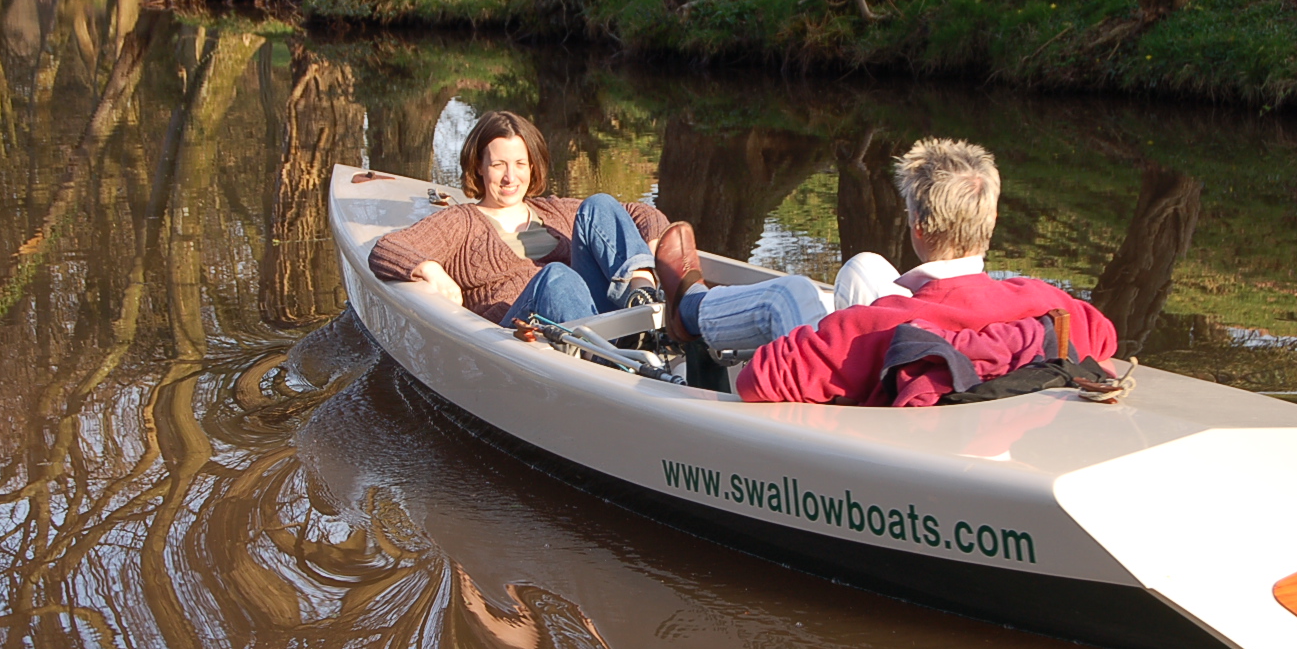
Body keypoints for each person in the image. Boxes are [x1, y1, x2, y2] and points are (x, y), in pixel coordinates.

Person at [656, 137, 1118, 406]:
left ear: (918, 228)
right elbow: (1105, 338)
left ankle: (690, 309)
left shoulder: (873, 328)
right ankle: (693, 307)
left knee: (788, 293)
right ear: (992, 220)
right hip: (968, 386)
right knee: (866, 267)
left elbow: (757, 380)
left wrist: (828, 332)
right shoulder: (1050, 304)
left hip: (857, 416)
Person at [369, 111, 669, 326]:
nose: (510, 177)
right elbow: (388, 248)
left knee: (599, 203)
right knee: (556, 276)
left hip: (598, 318)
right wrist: (433, 271)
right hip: (518, 337)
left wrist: (651, 250)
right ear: (479, 167)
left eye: (520, 164)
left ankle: (644, 304)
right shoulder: (461, 221)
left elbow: (641, 212)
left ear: (532, 167)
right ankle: (609, 355)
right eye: (499, 164)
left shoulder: (555, 211)